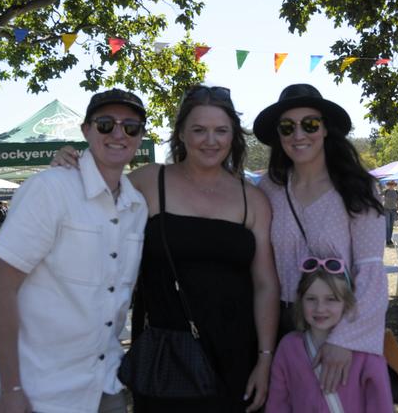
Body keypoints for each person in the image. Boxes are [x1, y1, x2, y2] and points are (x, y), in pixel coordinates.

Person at [54, 85, 280, 413]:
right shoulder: (147, 181)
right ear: (182, 134)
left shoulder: (253, 199)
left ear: (233, 136)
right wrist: (72, 163)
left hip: (238, 356)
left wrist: (265, 359)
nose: (210, 140)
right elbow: (89, 204)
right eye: (199, 130)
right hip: (167, 357)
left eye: (221, 130)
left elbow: (266, 284)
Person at [0, 89, 149, 413]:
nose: (118, 133)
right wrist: (11, 387)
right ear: (85, 130)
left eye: (131, 126)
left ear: (140, 136)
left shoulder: (136, 206)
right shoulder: (50, 189)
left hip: (103, 383)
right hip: (37, 389)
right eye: (105, 124)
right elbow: (3, 290)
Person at [252, 83, 388, 394]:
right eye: (287, 127)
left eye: (309, 124)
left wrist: (344, 339)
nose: (298, 135)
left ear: (325, 129)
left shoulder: (357, 188)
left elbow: (370, 271)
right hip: (281, 323)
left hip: (335, 323)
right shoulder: (267, 190)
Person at [265, 258, 393, 412]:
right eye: (311, 299)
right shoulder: (289, 347)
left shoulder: (367, 355)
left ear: (347, 302)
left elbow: (381, 406)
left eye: (331, 299)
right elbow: (278, 403)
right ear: (300, 301)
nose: (320, 308)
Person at [382, 181, 398, 246]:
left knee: (391, 226)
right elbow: (378, 196)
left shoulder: (396, 192)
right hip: (386, 210)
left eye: (392, 184)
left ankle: (389, 239)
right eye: (389, 184)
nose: (391, 185)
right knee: (387, 226)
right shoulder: (385, 191)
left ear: (394, 185)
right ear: (388, 185)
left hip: (394, 210)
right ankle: (387, 240)